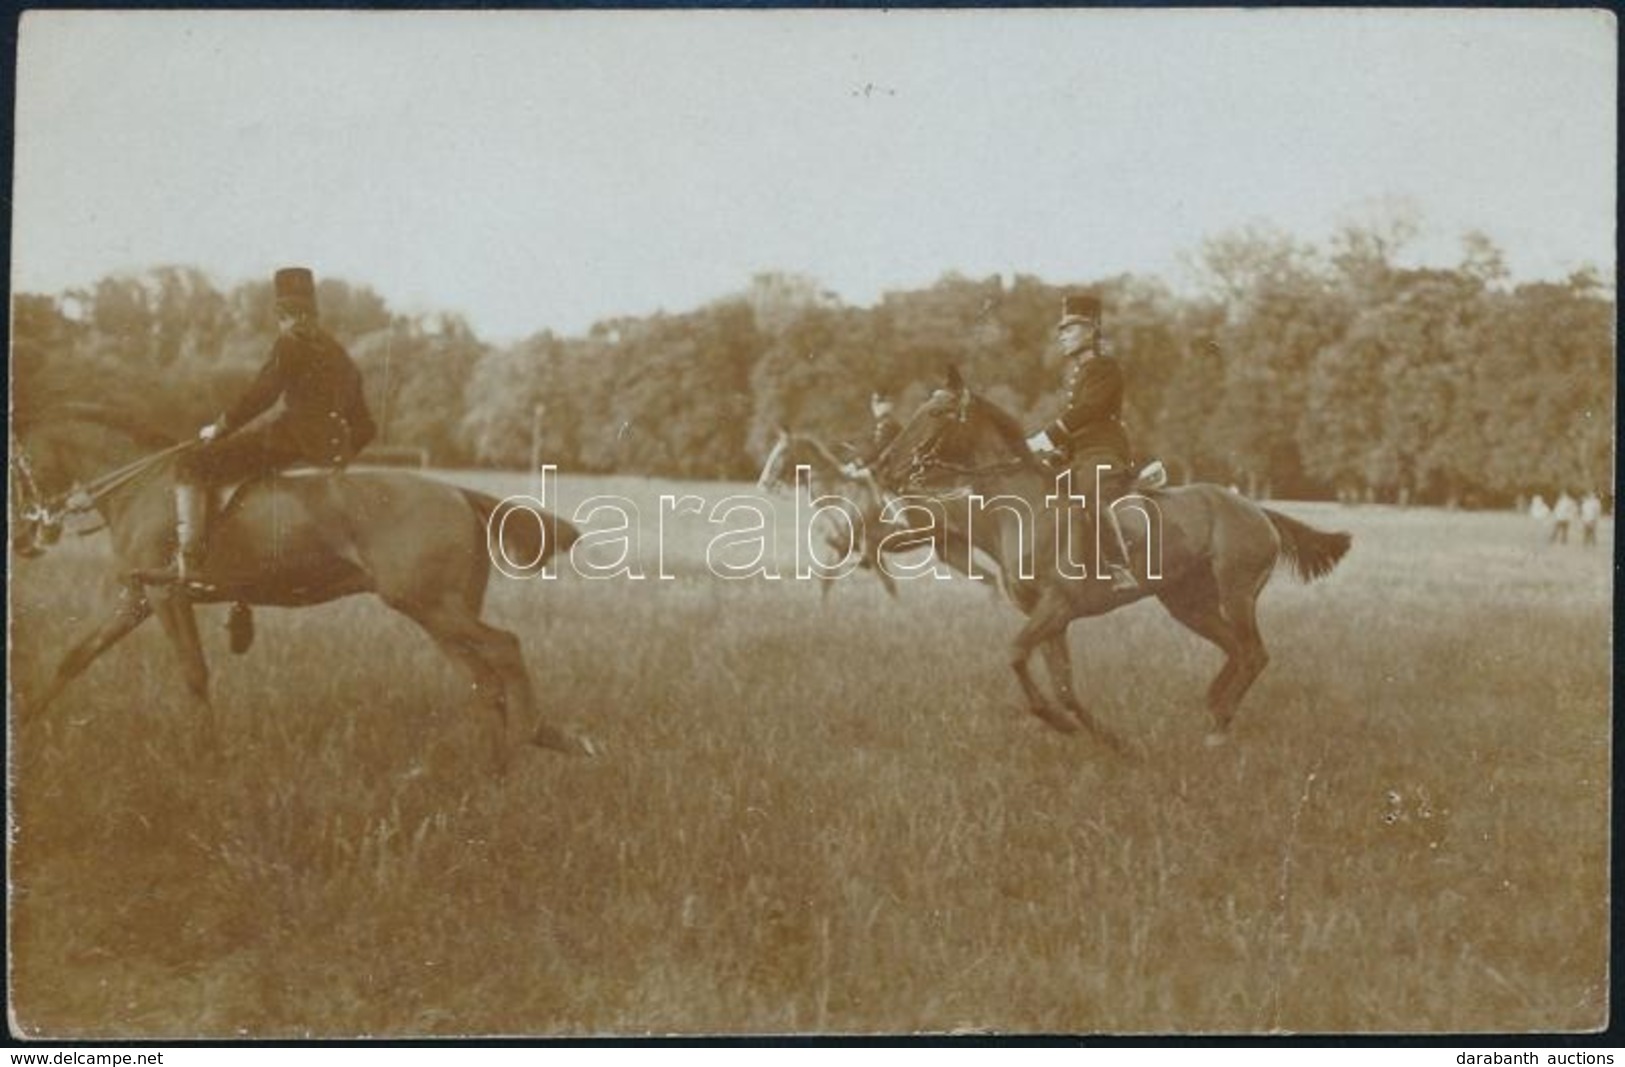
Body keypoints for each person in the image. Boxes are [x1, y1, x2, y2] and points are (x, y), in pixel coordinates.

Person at [166, 266, 376, 582]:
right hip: (329, 455)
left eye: (281, 317)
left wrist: (220, 428)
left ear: (284, 313)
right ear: (314, 312)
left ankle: (190, 559)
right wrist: (339, 457)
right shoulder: (338, 352)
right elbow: (366, 427)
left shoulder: (289, 343)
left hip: (290, 441)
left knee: (191, 463)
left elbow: (261, 395)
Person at [1024, 293, 1138, 591]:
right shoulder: (1081, 372)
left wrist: (1045, 438)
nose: (1062, 336)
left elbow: (1090, 411)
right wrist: (1054, 452)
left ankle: (1119, 567)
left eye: (1070, 329)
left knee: (1090, 494)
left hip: (1105, 453)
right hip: (1080, 456)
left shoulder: (1104, 367)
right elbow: (1078, 427)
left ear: (1091, 331)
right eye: (1061, 330)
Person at [842, 390, 902, 478]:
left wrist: (856, 465)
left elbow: (877, 450)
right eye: (873, 402)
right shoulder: (886, 423)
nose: (874, 406)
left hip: (889, 471)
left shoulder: (887, 425)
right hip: (886, 467)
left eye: (878, 402)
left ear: (889, 405)